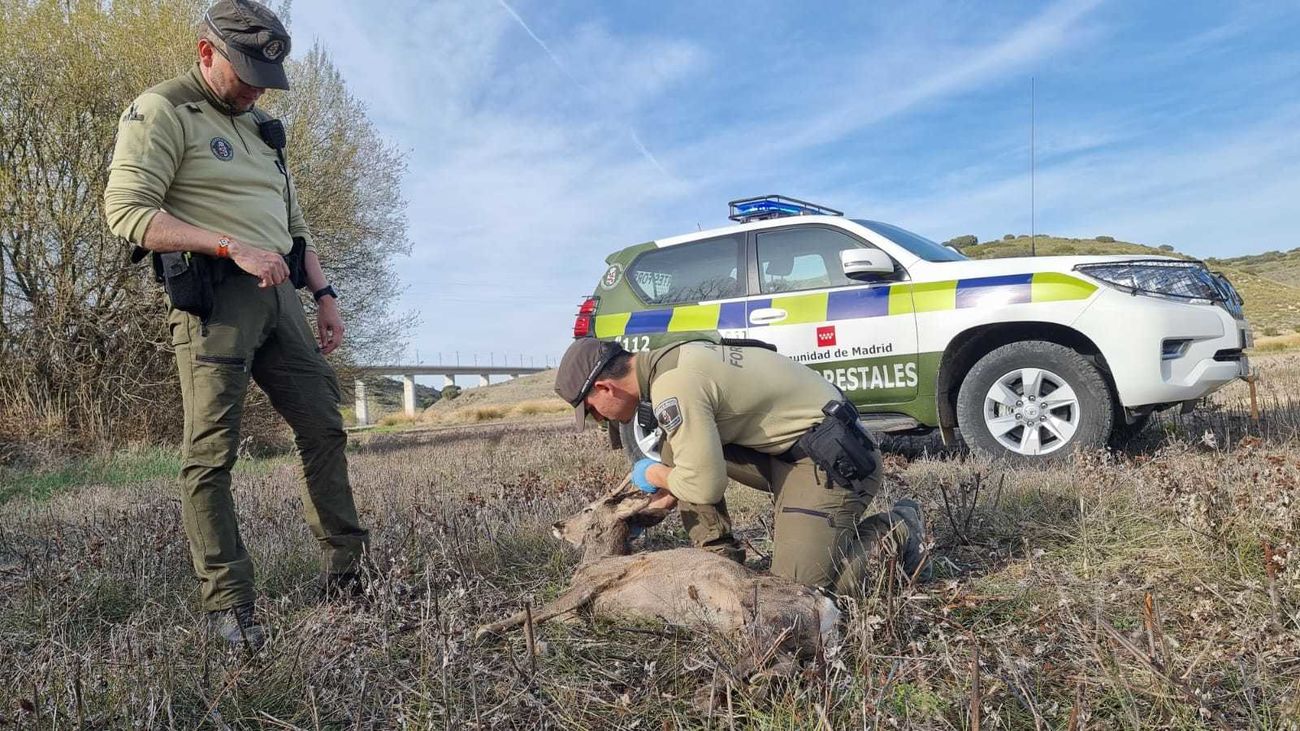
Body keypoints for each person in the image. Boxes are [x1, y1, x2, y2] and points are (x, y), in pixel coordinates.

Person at [104, 0, 368, 651]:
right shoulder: (162, 108)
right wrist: (229, 245)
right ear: (205, 53)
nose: (255, 88)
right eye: (245, 71)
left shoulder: (264, 130)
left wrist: (325, 294)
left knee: (324, 425)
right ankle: (231, 605)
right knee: (211, 454)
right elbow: (127, 210)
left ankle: (348, 572)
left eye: (265, 77)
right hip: (216, 298)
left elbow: (295, 225)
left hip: (283, 299)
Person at [554, 338, 928, 596]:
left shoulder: (674, 385)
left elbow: (703, 485)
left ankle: (898, 527)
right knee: (677, 446)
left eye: (591, 412)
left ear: (605, 388)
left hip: (834, 463)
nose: (600, 421)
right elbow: (689, 458)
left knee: (801, 597)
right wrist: (661, 497)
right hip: (790, 454)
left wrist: (651, 474)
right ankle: (721, 562)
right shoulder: (670, 361)